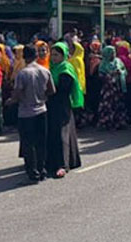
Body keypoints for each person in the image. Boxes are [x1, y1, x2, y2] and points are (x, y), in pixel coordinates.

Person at [10, 46, 55, 184]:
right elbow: (52, 90)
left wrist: (11, 101)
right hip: (42, 110)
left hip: (26, 112)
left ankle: (32, 173)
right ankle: (42, 170)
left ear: (24, 57)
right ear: (36, 56)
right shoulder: (45, 71)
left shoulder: (23, 73)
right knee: (41, 142)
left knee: (28, 144)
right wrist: (41, 97)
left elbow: (17, 94)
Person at [47, 43, 82, 178]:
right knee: (54, 132)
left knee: (62, 132)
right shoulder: (52, 68)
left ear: (63, 55)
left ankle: (63, 165)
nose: (53, 57)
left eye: (56, 55)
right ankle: (57, 161)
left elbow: (63, 90)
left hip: (61, 104)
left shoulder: (66, 69)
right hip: (51, 105)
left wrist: (48, 91)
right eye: (52, 55)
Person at [96, 46, 128, 130]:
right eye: (111, 53)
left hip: (118, 87)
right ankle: (107, 123)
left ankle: (118, 123)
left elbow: (125, 71)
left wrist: (121, 72)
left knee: (118, 105)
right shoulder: (103, 64)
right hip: (108, 89)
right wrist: (111, 74)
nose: (113, 55)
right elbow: (101, 76)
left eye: (114, 53)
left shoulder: (118, 61)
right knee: (107, 106)